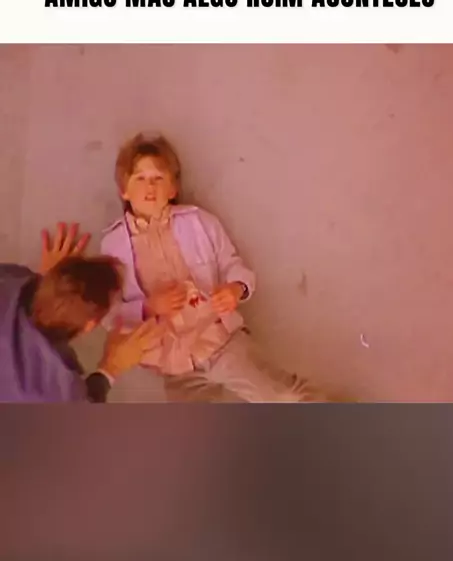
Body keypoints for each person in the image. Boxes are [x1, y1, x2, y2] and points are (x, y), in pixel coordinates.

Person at [100, 133, 309, 402]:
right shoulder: (112, 245)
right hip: (172, 362)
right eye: (139, 178)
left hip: (220, 339)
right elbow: (108, 313)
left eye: (158, 178)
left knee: (281, 394)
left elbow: (232, 264)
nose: (149, 186)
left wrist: (235, 289)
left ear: (173, 189)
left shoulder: (199, 222)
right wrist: (148, 307)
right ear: (124, 190)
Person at [0, 223, 163, 402]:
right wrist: (111, 368)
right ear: (89, 325)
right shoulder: (59, 393)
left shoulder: (7, 278)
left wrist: (46, 283)